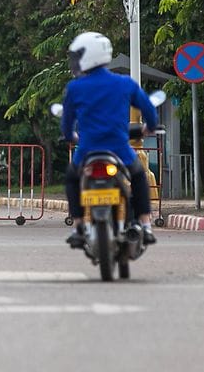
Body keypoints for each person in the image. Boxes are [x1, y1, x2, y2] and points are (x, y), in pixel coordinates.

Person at [61, 32, 159, 248]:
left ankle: (78, 225)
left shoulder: (75, 87)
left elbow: (67, 125)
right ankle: (145, 224)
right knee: (139, 177)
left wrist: (70, 137)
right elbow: (149, 111)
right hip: (119, 149)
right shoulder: (124, 83)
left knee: (71, 179)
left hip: (87, 150)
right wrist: (149, 128)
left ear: (88, 56)